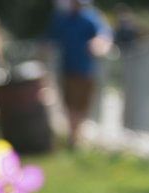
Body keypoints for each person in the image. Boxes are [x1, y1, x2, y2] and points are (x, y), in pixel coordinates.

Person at [48, 0, 112, 148]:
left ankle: (75, 136)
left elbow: (104, 35)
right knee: (70, 104)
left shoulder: (90, 17)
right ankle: (74, 136)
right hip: (67, 68)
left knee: (81, 105)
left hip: (85, 70)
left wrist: (100, 43)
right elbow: (51, 38)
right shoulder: (63, 18)